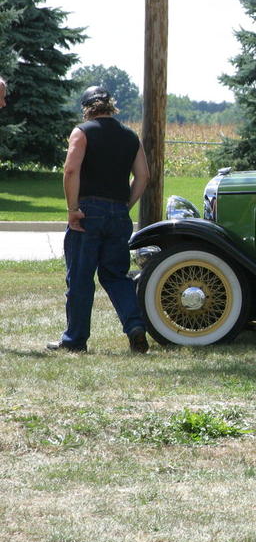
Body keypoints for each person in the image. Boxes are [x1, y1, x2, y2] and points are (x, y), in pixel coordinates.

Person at [48, 86, 151, 353]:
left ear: (86, 108)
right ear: (110, 105)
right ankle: (135, 327)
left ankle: (75, 340)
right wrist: (125, 205)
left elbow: (71, 170)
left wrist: (72, 209)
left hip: (87, 212)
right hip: (118, 213)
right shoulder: (130, 136)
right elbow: (143, 176)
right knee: (116, 276)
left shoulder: (82, 132)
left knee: (80, 278)